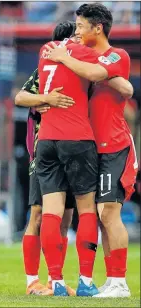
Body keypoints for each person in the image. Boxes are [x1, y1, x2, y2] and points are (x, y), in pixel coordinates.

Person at [45, 3, 137, 298]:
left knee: (108, 212)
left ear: (98, 28)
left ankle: (120, 282)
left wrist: (64, 55)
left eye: (82, 26)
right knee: (100, 215)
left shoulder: (116, 54)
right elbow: (112, 82)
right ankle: (111, 279)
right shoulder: (84, 55)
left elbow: (97, 72)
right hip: (90, 147)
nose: (78, 32)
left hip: (115, 145)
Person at [15, 21, 78, 297]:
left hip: (73, 149)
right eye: (73, 37)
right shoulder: (45, 69)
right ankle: (32, 280)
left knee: (65, 218)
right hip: (45, 151)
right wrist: (46, 98)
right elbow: (19, 97)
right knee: (38, 214)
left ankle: (56, 280)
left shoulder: (81, 71)